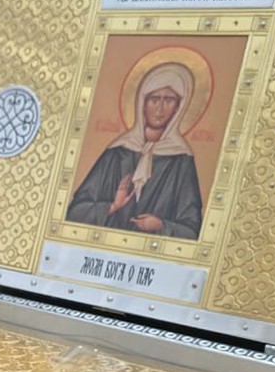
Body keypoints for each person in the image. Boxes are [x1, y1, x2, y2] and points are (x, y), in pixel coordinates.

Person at [66, 61, 205, 240]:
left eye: (169, 100)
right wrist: (112, 206)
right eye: (154, 99)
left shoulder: (182, 161)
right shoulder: (116, 153)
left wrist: (161, 226)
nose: (160, 108)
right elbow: (75, 212)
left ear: (179, 107)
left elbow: (192, 230)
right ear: (142, 103)